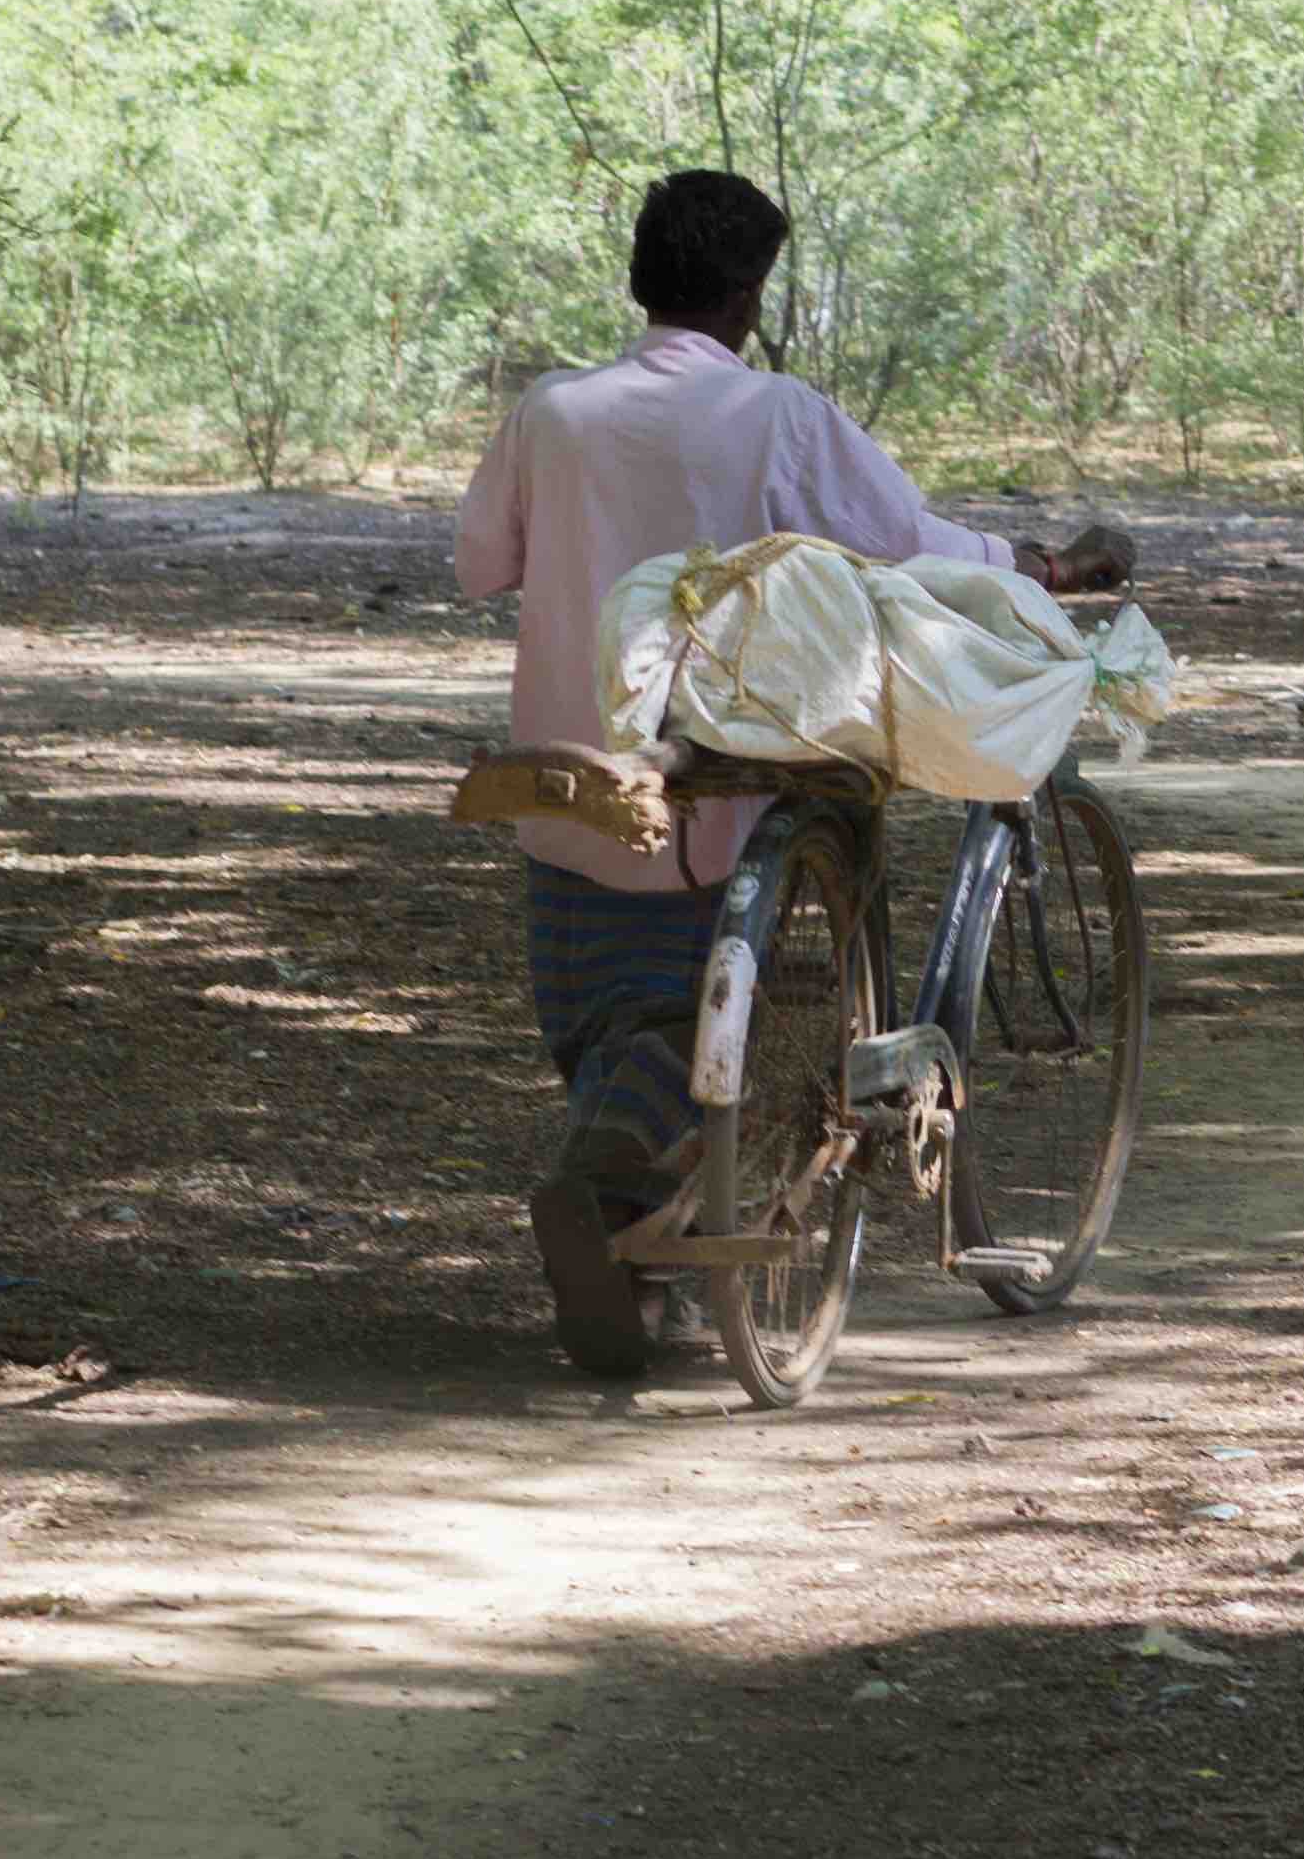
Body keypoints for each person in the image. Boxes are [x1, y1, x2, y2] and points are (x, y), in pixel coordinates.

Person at [456, 168, 1132, 1374]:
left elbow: (478, 563)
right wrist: (1040, 563)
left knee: (604, 1022)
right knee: (706, 1014)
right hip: (724, 778)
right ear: (749, 294)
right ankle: (626, 1200)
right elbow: (907, 542)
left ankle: (634, 1240)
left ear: (638, 278)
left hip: (570, 780)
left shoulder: (551, 410)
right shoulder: (774, 414)